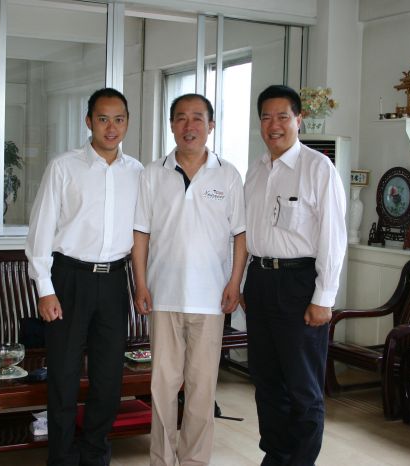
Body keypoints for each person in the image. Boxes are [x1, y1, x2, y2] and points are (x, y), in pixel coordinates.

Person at [25, 87, 143, 466]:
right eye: (103, 119)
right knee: (63, 376)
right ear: (89, 121)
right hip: (69, 280)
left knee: (109, 378)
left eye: (119, 119)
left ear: (127, 123)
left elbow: (144, 233)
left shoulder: (137, 172)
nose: (111, 127)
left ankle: (95, 455)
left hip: (115, 281)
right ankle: (61, 458)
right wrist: (45, 289)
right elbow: (41, 231)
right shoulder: (64, 167)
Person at [131, 93, 247, 466]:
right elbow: (141, 233)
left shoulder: (228, 174)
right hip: (163, 296)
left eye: (198, 118)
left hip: (210, 299)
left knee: (201, 390)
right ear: (171, 125)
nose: (189, 125)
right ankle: (162, 460)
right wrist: (140, 284)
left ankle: (195, 460)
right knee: (162, 387)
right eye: (181, 118)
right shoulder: (153, 173)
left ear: (211, 125)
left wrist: (235, 283)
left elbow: (240, 235)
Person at [243, 84, 347, 466]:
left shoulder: (318, 169)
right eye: (266, 117)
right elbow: (245, 234)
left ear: (299, 120)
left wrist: (324, 297)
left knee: (303, 387)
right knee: (266, 381)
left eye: (282, 116)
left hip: (299, 284)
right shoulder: (256, 171)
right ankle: (276, 456)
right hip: (260, 281)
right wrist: (243, 285)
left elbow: (334, 238)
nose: (274, 125)